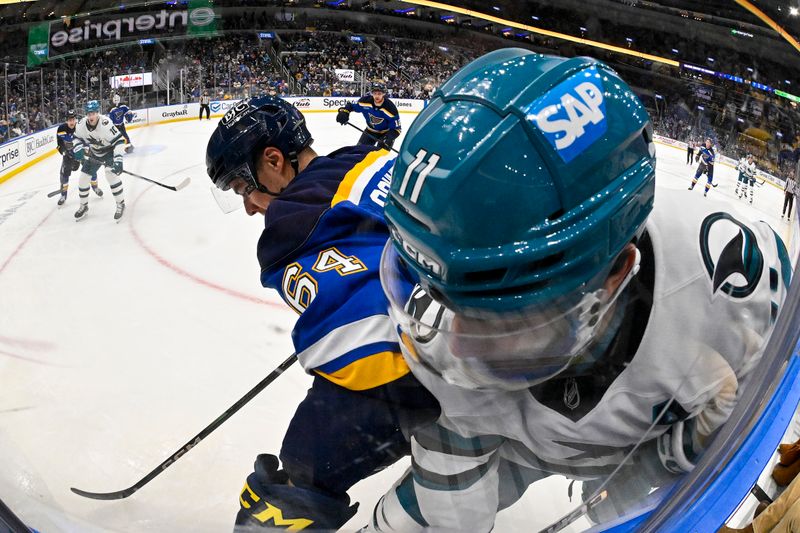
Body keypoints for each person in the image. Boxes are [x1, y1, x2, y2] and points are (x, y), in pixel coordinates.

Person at [366, 48, 792, 531]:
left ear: (617, 274)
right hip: (528, 448)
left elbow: (752, 394)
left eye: (507, 311)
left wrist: (647, 472)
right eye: (441, 295)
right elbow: (450, 505)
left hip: (608, 453)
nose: (455, 343)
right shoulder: (446, 325)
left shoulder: (729, 280)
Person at [205, 96, 439, 531]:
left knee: (283, 501)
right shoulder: (370, 156)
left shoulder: (287, 231)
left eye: (242, 188)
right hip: (517, 331)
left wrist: (301, 472)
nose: (250, 206)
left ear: (273, 160)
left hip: (437, 374)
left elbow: (377, 358)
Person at [72, 100, 126, 222]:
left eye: (93, 113)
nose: (91, 116)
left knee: (110, 175)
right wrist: (78, 148)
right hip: (94, 154)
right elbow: (76, 138)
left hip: (109, 153)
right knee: (83, 178)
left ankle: (120, 203)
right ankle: (84, 206)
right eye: (89, 113)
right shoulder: (81, 125)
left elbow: (119, 141)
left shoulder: (106, 124)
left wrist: (118, 160)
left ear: (98, 113)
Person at [55, 110, 103, 206]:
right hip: (69, 155)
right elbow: (60, 144)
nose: (72, 122)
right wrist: (65, 152)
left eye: (73, 119)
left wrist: (85, 151)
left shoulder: (80, 128)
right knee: (64, 173)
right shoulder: (61, 129)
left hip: (81, 154)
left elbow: (87, 142)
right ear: (66, 121)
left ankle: (95, 187)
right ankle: (63, 195)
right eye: (69, 120)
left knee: (91, 170)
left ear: (76, 120)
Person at [336, 83, 401, 150]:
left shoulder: (390, 108)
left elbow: (397, 129)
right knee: (358, 152)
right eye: (375, 93)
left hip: (386, 133)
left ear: (383, 94)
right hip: (370, 131)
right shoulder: (365, 101)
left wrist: (388, 137)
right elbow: (351, 106)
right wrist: (344, 112)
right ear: (371, 93)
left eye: (379, 94)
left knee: (382, 157)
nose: (377, 96)